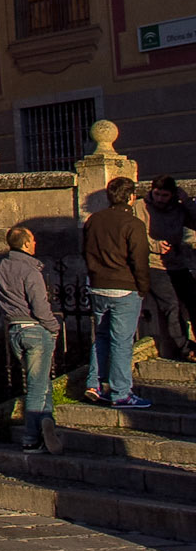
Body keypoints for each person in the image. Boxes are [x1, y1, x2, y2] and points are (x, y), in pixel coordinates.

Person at [0, 225, 61, 450]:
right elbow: (40, 307)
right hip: (35, 331)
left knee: (42, 383)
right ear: (25, 244)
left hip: (14, 331)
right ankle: (31, 438)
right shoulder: (31, 272)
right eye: (32, 240)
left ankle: (47, 423)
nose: (35, 244)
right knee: (36, 387)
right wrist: (54, 327)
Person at [82, 174, 152, 408]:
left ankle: (94, 383)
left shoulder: (94, 220)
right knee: (121, 341)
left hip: (98, 286)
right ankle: (121, 392)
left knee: (101, 336)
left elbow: (86, 251)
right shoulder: (133, 224)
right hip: (124, 287)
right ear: (132, 197)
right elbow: (140, 259)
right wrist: (143, 287)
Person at [143, 175, 196, 361]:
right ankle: (184, 348)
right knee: (171, 304)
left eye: (164, 195)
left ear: (172, 195)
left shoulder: (178, 209)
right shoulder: (142, 208)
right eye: (157, 194)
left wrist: (187, 201)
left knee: (193, 299)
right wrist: (154, 245)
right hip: (154, 264)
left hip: (176, 264)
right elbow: (134, 234)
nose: (159, 199)